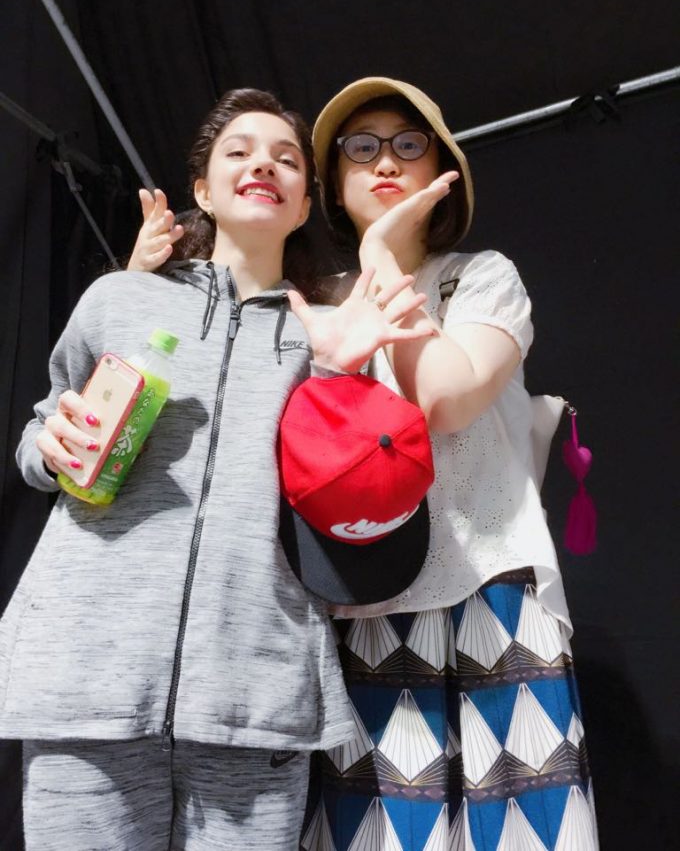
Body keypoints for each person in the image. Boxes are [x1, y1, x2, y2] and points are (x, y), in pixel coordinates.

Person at [128, 79, 600, 850]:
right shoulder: (310, 303)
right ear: (331, 184)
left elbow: (443, 398)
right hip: (362, 600)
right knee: (382, 834)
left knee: (522, 832)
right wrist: (138, 286)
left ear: (441, 170)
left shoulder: (480, 276)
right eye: (361, 147)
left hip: (493, 591)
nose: (385, 161)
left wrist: (381, 255)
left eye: (408, 144)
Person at [0, 87, 433, 851]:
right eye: (240, 151)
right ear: (202, 190)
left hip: (255, 695)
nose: (263, 164)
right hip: (86, 677)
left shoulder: (329, 335)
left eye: (286, 158)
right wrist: (50, 445)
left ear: (305, 203)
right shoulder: (118, 298)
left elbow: (358, 496)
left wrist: (340, 375)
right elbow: (41, 431)